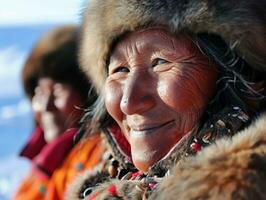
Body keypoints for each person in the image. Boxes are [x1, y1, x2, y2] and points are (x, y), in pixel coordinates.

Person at [67, 0, 266, 199]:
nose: (128, 102)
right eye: (121, 70)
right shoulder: (93, 189)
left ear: (232, 75)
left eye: (160, 62)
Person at [13, 25, 106, 200]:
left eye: (57, 92)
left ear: (88, 96)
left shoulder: (99, 157)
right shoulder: (46, 157)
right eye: (39, 92)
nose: (46, 106)